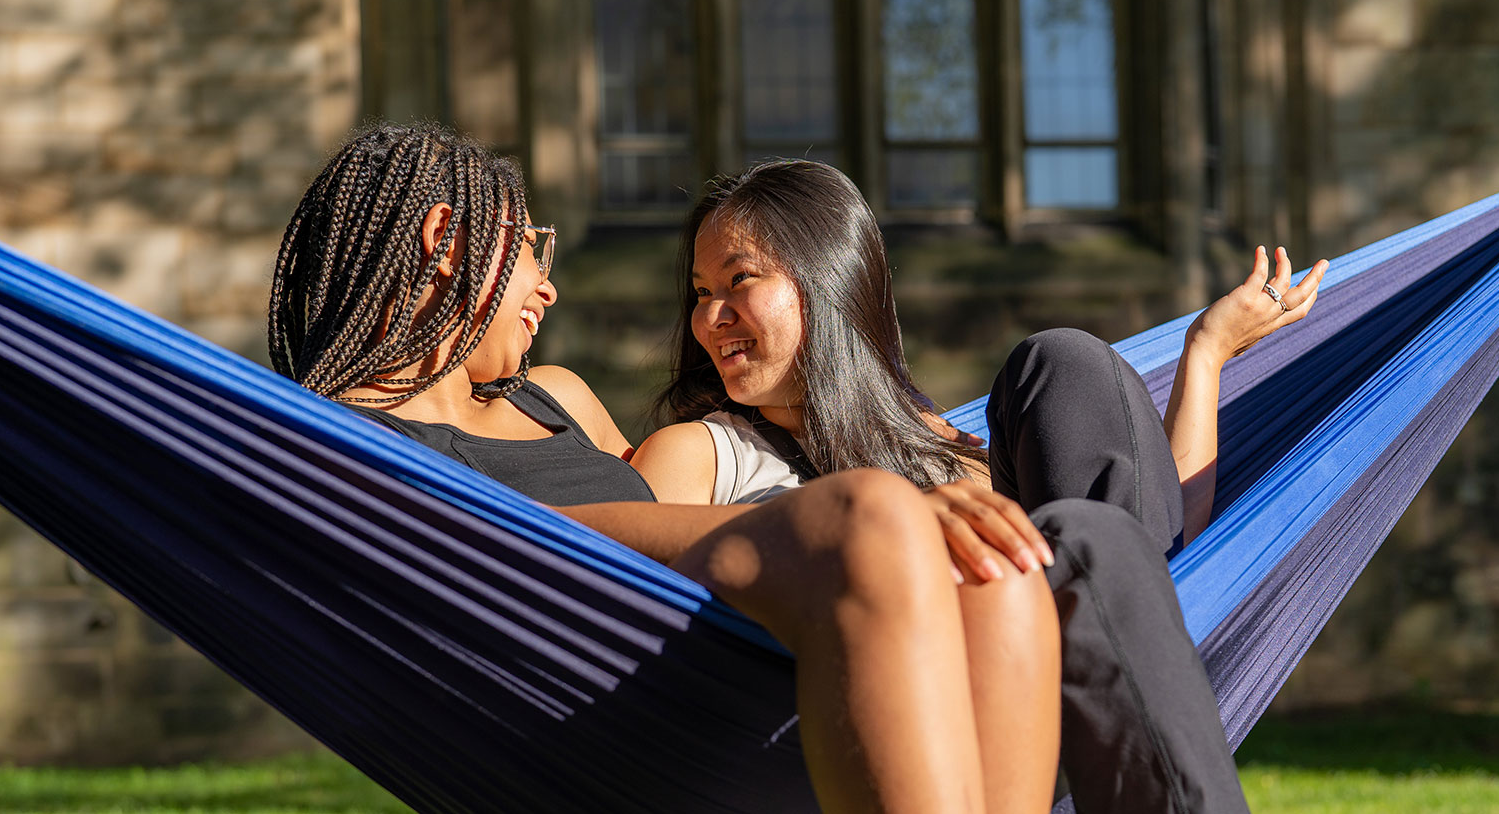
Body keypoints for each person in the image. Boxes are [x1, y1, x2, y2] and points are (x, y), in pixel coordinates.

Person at [267, 123, 1064, 813]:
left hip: (735, 647)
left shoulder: (553, 397)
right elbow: (489, 553)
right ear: (446, 242)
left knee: (992, 572)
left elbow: (703, 482)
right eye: (530, 249)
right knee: (871, 516)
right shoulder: (341, 443)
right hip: (616, 715)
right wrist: (842, 519)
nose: (548, 285)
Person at [631, 159, 1329, 814]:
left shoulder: (953, 450)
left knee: (1065, 363)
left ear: (827, 280)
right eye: (700, 293)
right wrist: (875, 530)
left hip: (1071, 690)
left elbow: (1157, 563)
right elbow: (625, 621)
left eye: (738, 281)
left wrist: (1204, 357)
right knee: (1086, 541)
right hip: (871, 731)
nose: (708, 318)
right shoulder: (700, 453)